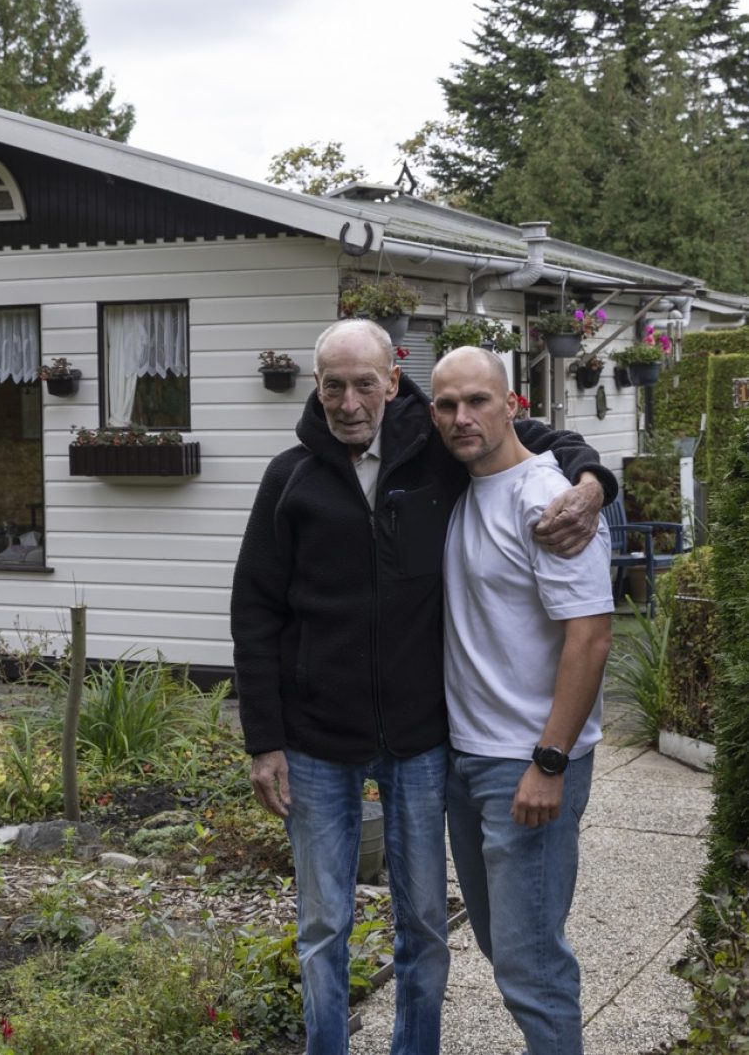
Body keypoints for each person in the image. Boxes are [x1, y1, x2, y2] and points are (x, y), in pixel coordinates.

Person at [230, 319, 616, 1055]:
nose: (349, 401)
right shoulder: (296, 477)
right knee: (325, 925)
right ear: (317, 386)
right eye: (333, 385)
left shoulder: (453, 461)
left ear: (392, 383)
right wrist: (264, 739)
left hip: (429, 745)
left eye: (365, 384)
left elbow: (541, 449)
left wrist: (595, 483)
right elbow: (255, 611)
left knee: (454, 935)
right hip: (335, 742)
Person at [430, 346, 613, 1055]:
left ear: (514, 405)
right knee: (506, 948)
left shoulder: (549, 501)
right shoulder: (460, 486)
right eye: (446, 405)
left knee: (532, 966)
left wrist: (550, 760)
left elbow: (592, 638)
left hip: (526, 767)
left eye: (477, 400)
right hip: (467, 760)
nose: (460, 417)